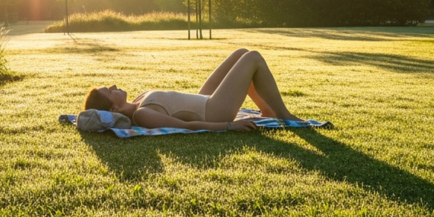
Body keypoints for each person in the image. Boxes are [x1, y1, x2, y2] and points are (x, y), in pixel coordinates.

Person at [83, 48, 304, 132]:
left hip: (201, 100)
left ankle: (267, 110)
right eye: (109, 90)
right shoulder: (141, 114)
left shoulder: (139, 99)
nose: (113, 86)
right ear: (113, 106)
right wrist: (229, 125)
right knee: (253, 58)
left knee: (241, 53)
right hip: (213, 110)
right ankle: (284, 115)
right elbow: (187, 126)